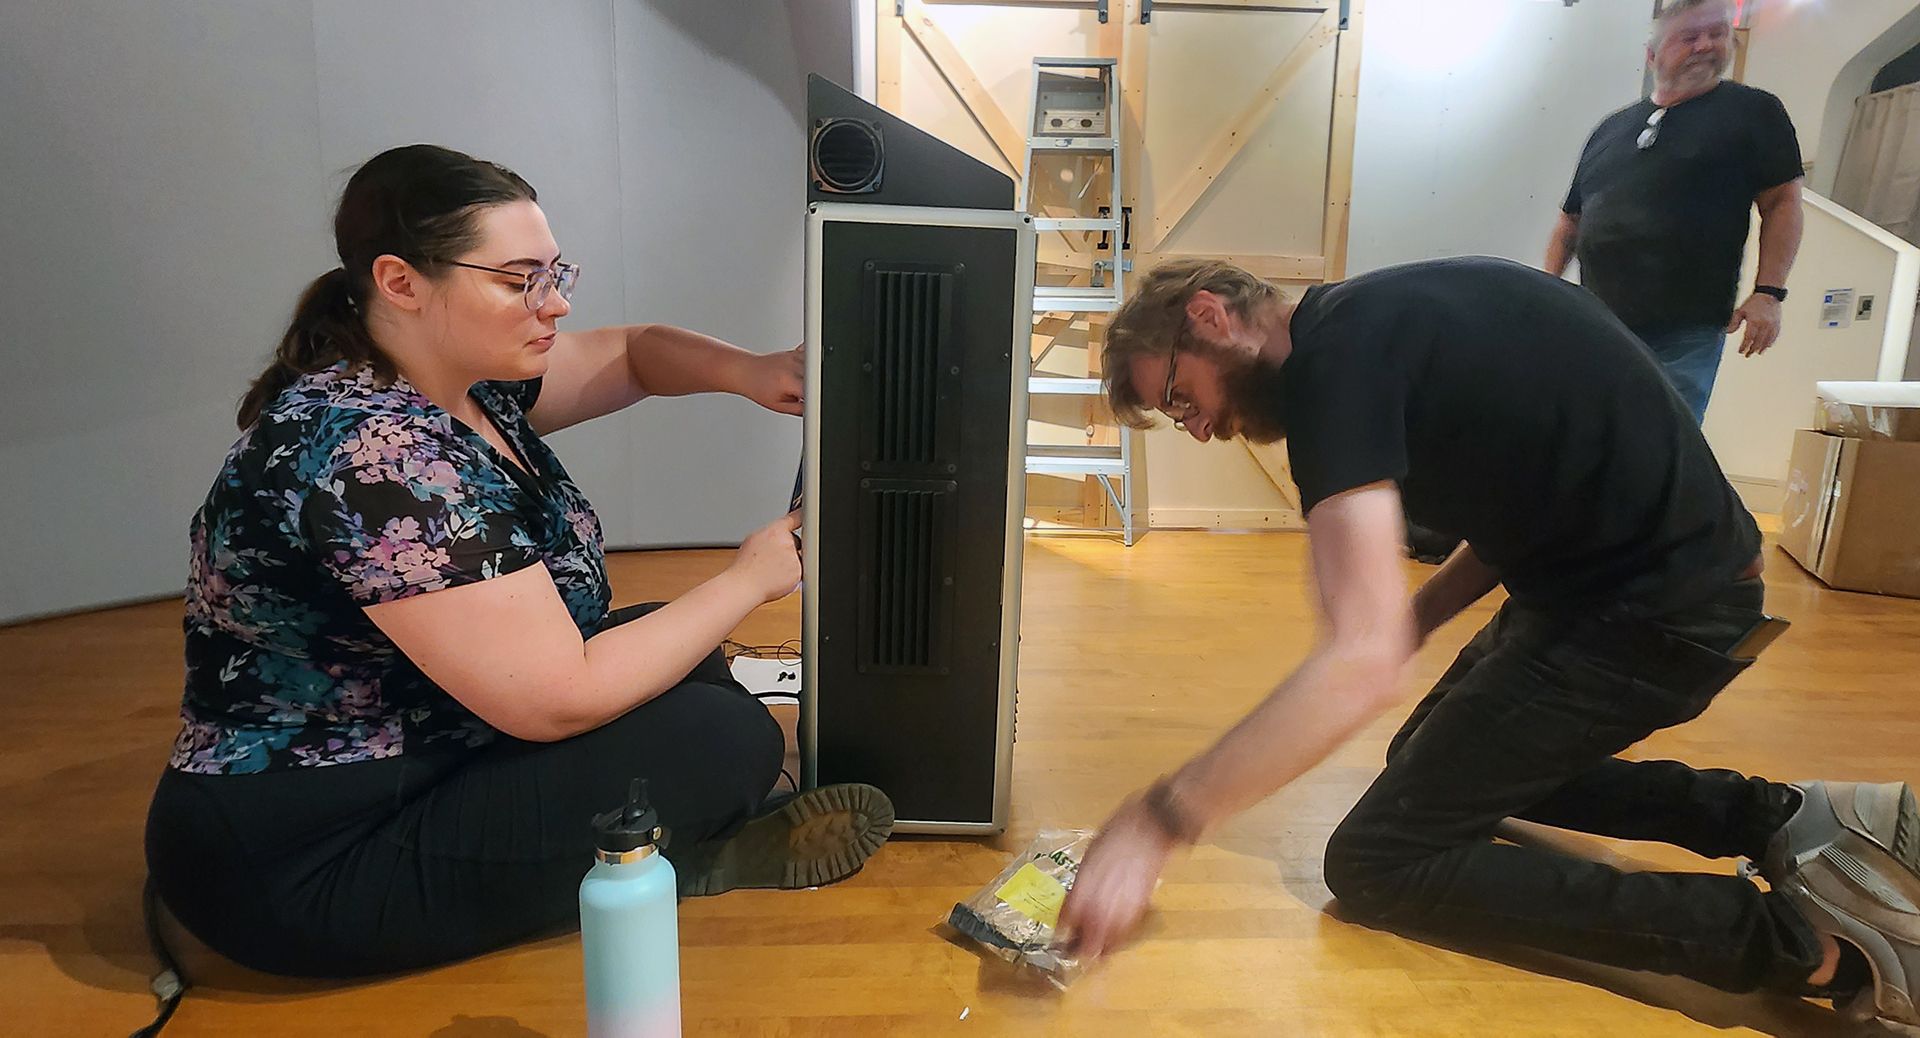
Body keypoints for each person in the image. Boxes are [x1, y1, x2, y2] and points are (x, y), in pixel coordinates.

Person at [1056, 256, 1920, 1026]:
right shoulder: (1376, 320)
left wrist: (1158, 822)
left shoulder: (1333, 374)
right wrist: (1415, 620)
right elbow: (1519, 493)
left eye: (1179, 398)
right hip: (1630, 585)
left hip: (1657, 614)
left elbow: (1357, 666)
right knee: (1424, 755)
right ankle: (1789, 816)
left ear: (1210, 316)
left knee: (1379, 862)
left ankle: (1807, 943)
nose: (1199, 428)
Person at [144, 144, 893, 979]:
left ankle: (657, 847)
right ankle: (676, 862)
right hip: (303, 863)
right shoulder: (371, 455)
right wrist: (748, 578)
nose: (557, 303)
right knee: (723, 736)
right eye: (518, 280)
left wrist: (751, 372)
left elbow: (636, 353)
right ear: (400, 282)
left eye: (555, 272)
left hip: (420, 752)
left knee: (671, 651)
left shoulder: (457, 381)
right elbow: (557, 701)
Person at [1544, 0, 1804, 425]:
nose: (1705, 45)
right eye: (1689, 37)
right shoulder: (1611, 130)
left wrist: (1769, 293)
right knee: (1587, 440)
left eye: (1717, 34)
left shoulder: (1754, 112)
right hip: (1598, 328)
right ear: (1652, 55)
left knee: (1664, 446)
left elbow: (1782, 202)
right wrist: (1545, 293)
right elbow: (1569, 224)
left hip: (1685, 331)